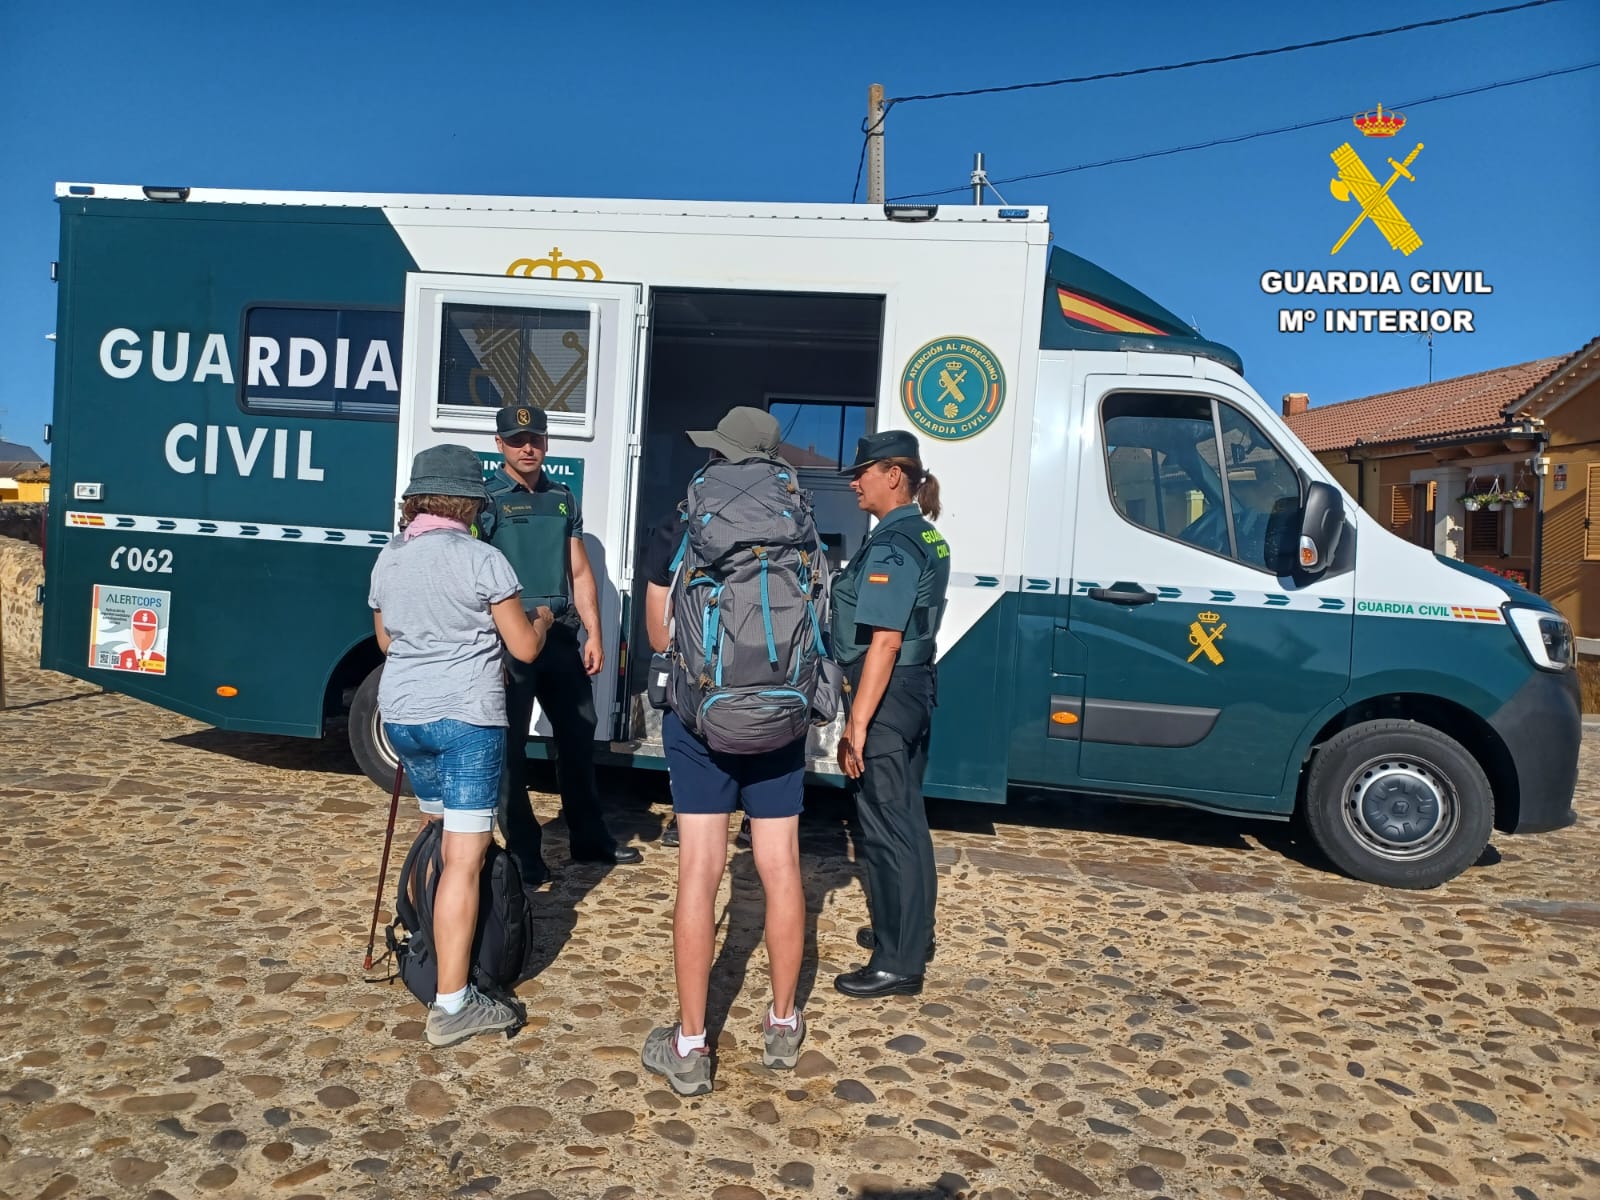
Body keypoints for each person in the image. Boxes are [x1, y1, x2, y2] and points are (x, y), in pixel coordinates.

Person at [639, 407, 809, 1096]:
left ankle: (689, 1045)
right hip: (780, 716)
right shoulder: (797, 526)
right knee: (781, 868)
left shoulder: (682, 520)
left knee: (701, 871)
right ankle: (781, 1025)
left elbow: (658, 636)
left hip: (701, 719)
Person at [369, 443, 555, 1046]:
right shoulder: (484, 559)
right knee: (465, 858)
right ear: (472, 503)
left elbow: (387, 643)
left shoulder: (389, 560)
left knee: (439, 837)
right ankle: (453, 1005)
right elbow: (523, 648)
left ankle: (433, 950)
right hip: (466, 720)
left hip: (402, 716)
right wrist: (545, 622)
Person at [480, 403, 642, 883]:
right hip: (508, 635)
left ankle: (590, 840)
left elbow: (579, 570)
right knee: (508, 746)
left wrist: (594, 632)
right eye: (515, 440)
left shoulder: (564, 498)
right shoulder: (486, 501)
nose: (526, 447)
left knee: (577, 737)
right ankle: (525, 854)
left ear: (547, 442)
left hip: (560, 632)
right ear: (500, 445)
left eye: (535, 438)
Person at [830, 430, 950, 999]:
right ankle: (908, 932)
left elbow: (883, 641)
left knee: (882, 826)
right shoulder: (925, 534)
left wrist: (856, 724)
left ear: (893, 475)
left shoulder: (893, 544)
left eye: (863, 472)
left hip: (886, 691)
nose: (855, 482)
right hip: (914, 690)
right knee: (907, 819)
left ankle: (897, 962)